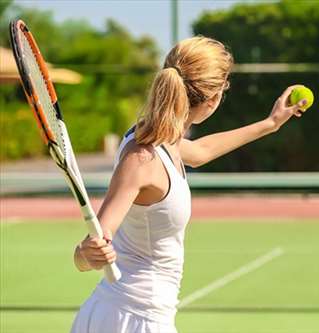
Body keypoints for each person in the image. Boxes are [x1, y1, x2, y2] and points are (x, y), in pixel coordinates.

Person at [70, 36, 307, 333]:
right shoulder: (141, 157)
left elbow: (201, 152)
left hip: (138, 315)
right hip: (132, 320)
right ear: (213, 99)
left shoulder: (162, 140)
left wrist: (270, 123)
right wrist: (86, 253)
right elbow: (86, 255)